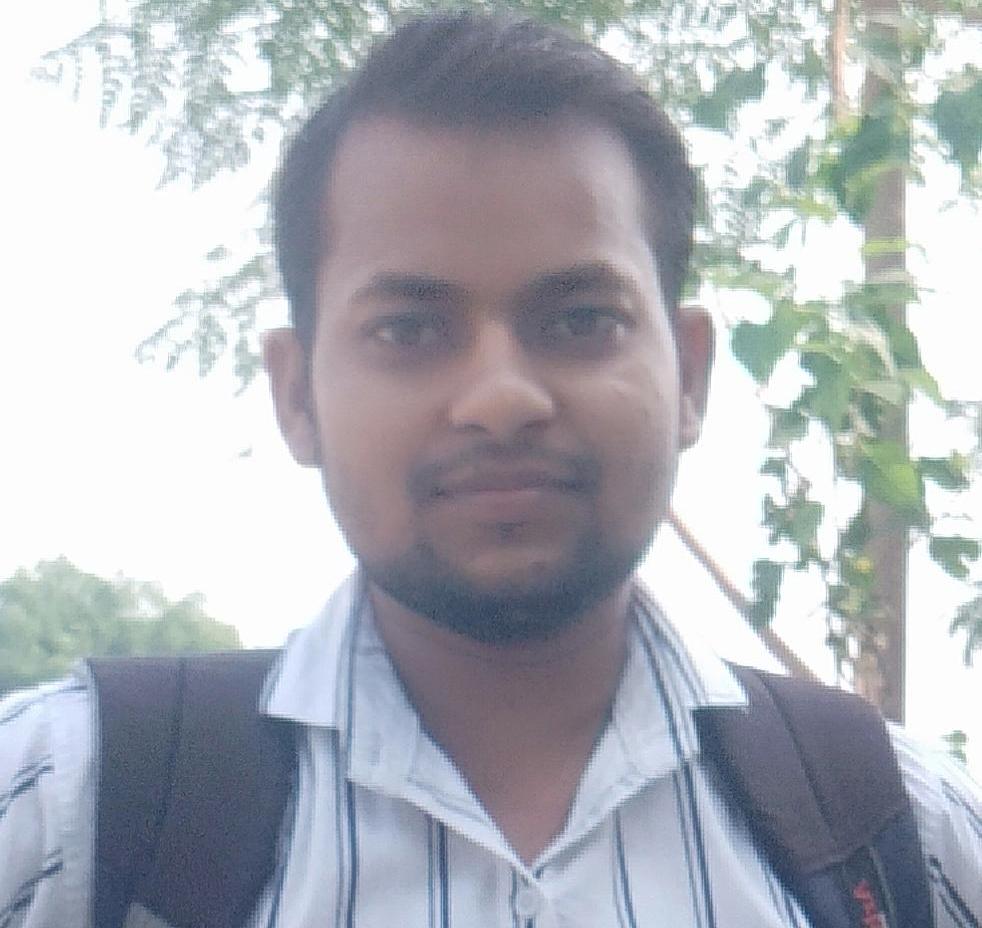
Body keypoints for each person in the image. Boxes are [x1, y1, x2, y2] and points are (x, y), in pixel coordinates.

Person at [2, 10, 979, 928]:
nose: (501, 396)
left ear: (688, 374)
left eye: (580, 320)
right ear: (296, 394)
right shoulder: (66, 810)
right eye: (409, 329)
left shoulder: (911, 837)